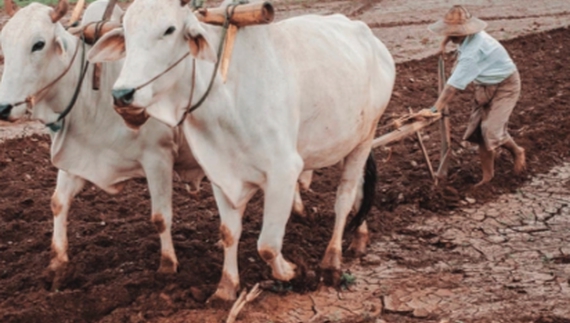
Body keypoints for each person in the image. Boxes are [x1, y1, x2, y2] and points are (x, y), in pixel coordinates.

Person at [421, 5, 526, 187]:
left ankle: (517, 151)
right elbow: (452, 34)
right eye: (449, 32)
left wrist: (434, 109)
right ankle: (488, 177)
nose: (451, 36)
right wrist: (442, 45)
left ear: (466, 31)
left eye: (454, 34)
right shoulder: (467, 37)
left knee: (492, 131)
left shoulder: (472, 54)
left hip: (506, 85)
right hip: (484, 84)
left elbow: (451, 88)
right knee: (479, 132)